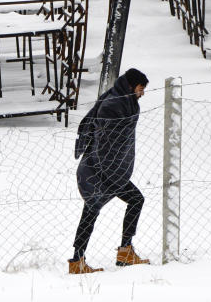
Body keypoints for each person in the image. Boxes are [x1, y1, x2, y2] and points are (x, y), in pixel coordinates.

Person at [68, 68, 151, 274]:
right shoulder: (113, 105)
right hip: (100, 168)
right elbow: (105, 143)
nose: (142, 94)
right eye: (140, 89)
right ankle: (112, 254)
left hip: (113, 169)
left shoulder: (125, 102)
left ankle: (117, 253)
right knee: (94, 207)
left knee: (95, 209)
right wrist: (110, 172)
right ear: (131, 86)